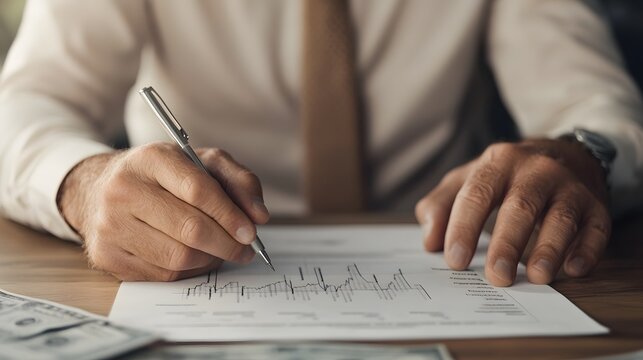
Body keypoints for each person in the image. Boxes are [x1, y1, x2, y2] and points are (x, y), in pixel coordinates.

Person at [0, 0, 642, 287]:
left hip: (449, 258)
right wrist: (84, 185)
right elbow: (23, 105)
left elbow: (597, 106)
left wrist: (582, 151)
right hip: (193, 264)